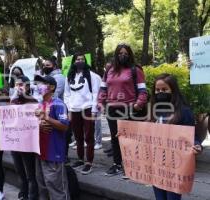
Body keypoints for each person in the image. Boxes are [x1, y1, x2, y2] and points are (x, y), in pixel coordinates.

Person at [150, 73, 202, 200]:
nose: (160, 92)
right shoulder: (152, 110)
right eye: (157, 90)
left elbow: (192, 136)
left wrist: (197, 145)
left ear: (173, 90)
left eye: (164, 89)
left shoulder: (184, 112)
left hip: (174, 166)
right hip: (156, 164)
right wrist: (126, 134)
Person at [98, 44, 148, 176]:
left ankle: (131, 166)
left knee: (129, 138)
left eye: (125, 53)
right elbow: (103, 88)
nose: (122, 56)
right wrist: (101, 103)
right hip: (112, 109)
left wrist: (138, 104)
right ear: (116, 54)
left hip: (129, 109)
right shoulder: (109, 69)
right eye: (120, 53)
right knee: (115, 138)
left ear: (130, 54)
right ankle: (117, 164)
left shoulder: (135, 70)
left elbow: (143, 90)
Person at [34, 75, 70, 200]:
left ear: (52, 87)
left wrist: (47, 118)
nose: (39, 86)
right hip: (40, 153)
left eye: (43, 83)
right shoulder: (39, 105)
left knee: (57, 190)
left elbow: (65, 126)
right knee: (43, 186)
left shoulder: (58, 104)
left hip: (53, 153)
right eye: (39, 83)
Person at [64, 53, 100, 174]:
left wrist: (94, 110)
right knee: (78, 136)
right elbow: (67, 94)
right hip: (74, 109)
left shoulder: (92, 76)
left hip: (88, 108)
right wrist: (69, 109)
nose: (80, 61)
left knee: (89, 136)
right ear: (73, 61)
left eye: (82, 59)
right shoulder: (69, 76)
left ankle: (89, 162)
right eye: (77, 59)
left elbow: (95, 93)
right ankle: (80, 158)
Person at [10, 76, 39, 200]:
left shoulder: (33, 102)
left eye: (21, 84)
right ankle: (23, 192)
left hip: (27, 145)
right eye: (17, 85)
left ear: (27, 86)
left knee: (30, 173)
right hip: (15, 143)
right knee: (20, 171)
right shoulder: (13, 102)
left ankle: (32, 196)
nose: (18, 87)